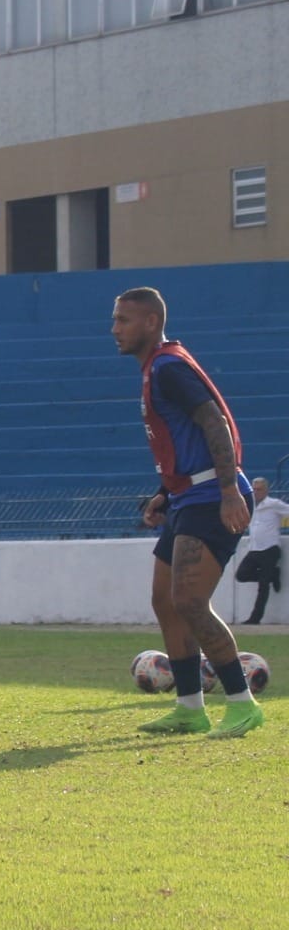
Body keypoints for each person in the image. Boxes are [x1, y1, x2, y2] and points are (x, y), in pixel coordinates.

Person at [113, 286, 262, 738]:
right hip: (187, 497)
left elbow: (213, 421)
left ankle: (242, 704)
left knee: (190, 602)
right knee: (165, 601)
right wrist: (164, 491)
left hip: (210, 498)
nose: (114, 329)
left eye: (123, 320)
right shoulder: (156, 369)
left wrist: (228, 491)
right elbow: (183, 440)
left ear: (151, 323)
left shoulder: (168, 367)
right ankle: (189, 707)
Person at [234, 476, 288, 626]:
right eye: (255, 489)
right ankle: (272, 575)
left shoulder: (273, 504)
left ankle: (255, 618)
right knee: (241, 575)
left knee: (263, 586)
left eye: (259, 489)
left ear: (266, 490)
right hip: (255, 549)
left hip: (270, 548)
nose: (256, 492)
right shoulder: (249, 505)